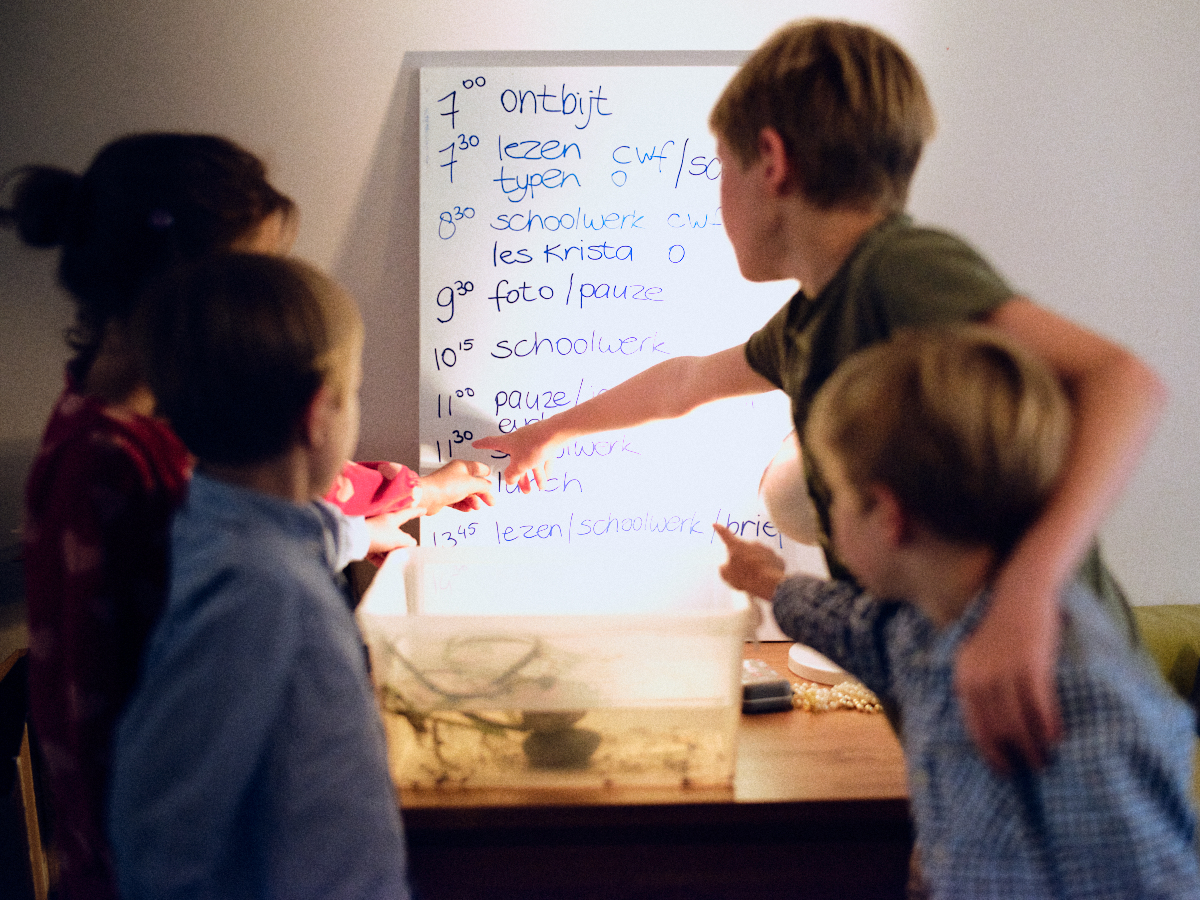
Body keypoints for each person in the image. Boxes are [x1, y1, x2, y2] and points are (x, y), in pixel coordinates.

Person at [472, 18, 1166, 773]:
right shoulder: (811, 318)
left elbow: (1120, 380)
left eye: (719, 166)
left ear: (770, 161)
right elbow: (686, 382)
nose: (716, 196)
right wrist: (548, 431)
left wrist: (1026, 594)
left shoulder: (897, 269)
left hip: (1046, 690)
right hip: (959, 710)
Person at [2, 132, 489, 899]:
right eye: (251, 276)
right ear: (188, 296)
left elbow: (256, 516)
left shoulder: (165, 433)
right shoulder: (110, 465)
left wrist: (394, 508)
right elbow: (137, 752)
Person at [716, 325, 1199, 899]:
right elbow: (860, 628)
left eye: (837, 497)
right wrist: (770, 581)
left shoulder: (1071, 691)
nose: (830, 519)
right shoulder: (932, 619)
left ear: (890, 517)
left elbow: (1148, 880)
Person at [109, 252, 410, 899]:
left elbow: (288, 534)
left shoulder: (231, 527)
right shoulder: (259, 591)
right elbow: (161, 828)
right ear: (316, 414)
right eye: (352, 392)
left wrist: (361, 533)